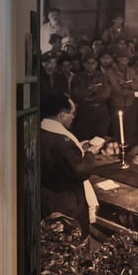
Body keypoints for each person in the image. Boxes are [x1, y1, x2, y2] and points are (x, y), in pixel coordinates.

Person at [39, 94, 105, 237]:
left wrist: (78, 148)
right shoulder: (62, 141)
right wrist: (90, 153)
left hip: (47, 196)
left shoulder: (42, 131)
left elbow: (59, 158)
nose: (74, 117)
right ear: (62, 114)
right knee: (74, 240)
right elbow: (81, 170)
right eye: (72, 113)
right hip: (66, 202)